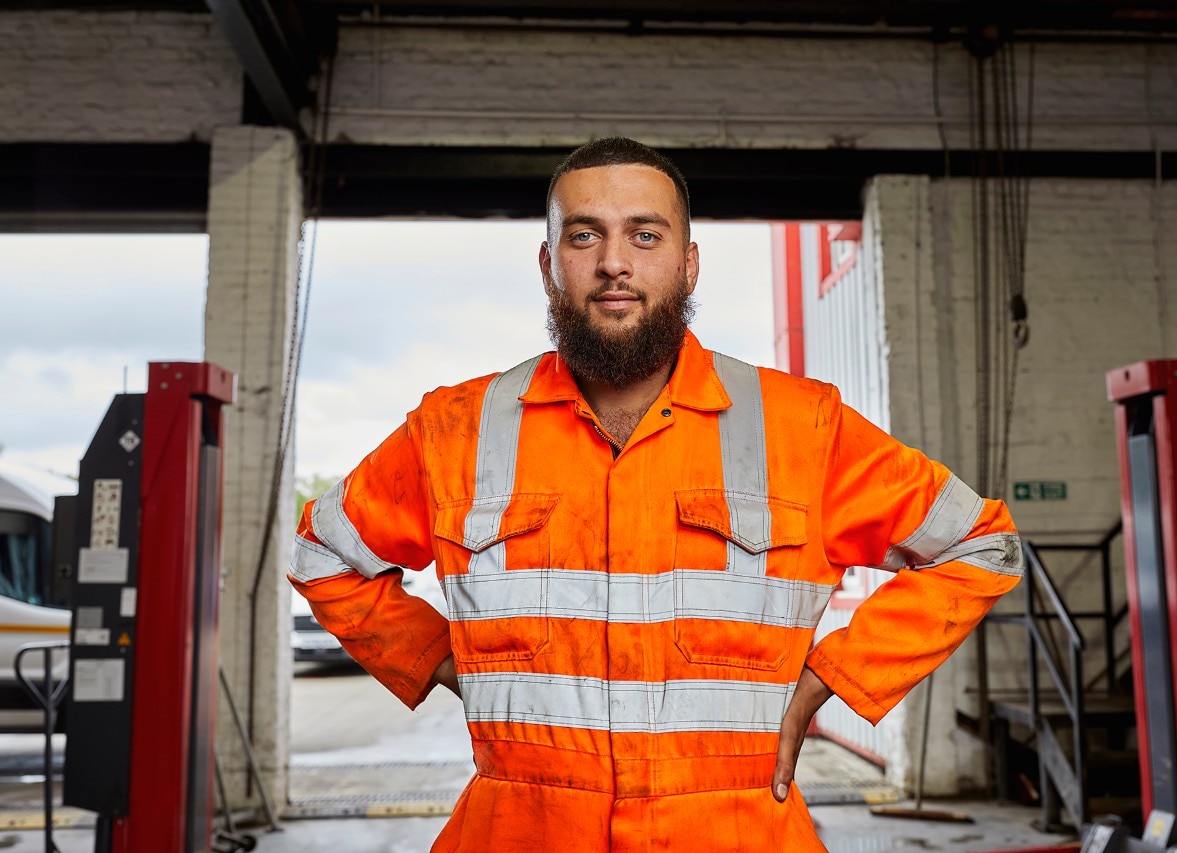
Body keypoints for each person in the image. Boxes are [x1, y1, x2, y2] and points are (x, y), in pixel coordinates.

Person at [289, 137, 1022, 851]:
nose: (614, 263)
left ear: (688, 262)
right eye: (584, 236)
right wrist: (441, 660)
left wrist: (827, 679)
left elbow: (983, 544)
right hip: (520, 828)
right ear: (549, 265)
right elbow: (320, 550)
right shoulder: (455, 430)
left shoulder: (802, 426)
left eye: (645, 234)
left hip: (737, 830)